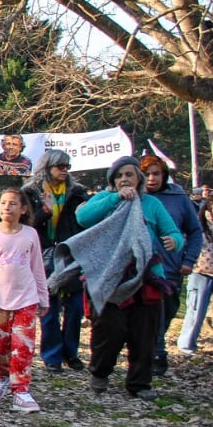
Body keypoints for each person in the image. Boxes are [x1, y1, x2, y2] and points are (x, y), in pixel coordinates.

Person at [76, 155, 182, 401]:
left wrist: (174, 241)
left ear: (138, 178)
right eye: (119, 175)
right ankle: (100, 373)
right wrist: (116, 197)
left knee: (144, 334)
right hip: (108, 278)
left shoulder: (152, 204)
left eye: (129, 174)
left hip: (147, 279)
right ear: (113, 180)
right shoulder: (104, 199)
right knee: (109, 331)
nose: (124, 179)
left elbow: (174, 232)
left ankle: (139, 383)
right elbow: (83, 218)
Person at [0, 188, 50, 413]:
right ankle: (2, 375)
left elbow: (38, 269)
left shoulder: (30, 234)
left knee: (23, 346)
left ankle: (21, 390)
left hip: (27, 300)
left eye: (13, 204)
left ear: (23, 209)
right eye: (3, 203)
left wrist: (43, 297)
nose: (7, 207)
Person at [20, 149, 88, 372]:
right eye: (60, 166)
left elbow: (85, 222)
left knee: (75, 307)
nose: (65, 171)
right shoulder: (30, 193)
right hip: (43, 254)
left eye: (68, 166)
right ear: (47, 167)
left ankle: (71, 353)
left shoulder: (77, 193)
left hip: (71, 254)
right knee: (48, 307)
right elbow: (24, 226)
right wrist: (45, 212)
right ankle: (52, 356)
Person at [141, 155, 202, 377]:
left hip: (171, 269)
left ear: (164, 175)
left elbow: (195, 231)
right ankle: (155, 353)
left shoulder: (178, 198)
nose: (151, 178)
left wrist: (188, 260)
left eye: (156, 173)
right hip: (140, 270)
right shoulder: (132, 197)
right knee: (147, 315)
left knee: (166, 313)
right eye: (147, 174)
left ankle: (154, 348)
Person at [177, 186, 213, 354]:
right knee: (195, 310)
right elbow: (187, 243)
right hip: (201, 271)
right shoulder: (198, 225)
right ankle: (186, 343)